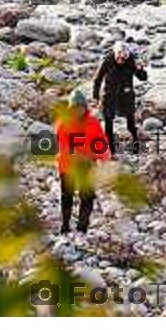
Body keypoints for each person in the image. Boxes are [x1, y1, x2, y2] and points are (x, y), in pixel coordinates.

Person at [55, 89, 111, 234]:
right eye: (75, 108)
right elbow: (63, 146)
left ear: (85, 108)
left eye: (81, 107)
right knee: (67, 196)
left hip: (88, 166)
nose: (78, 111)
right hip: (68, 166)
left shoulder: (93, 123)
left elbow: (101, 142)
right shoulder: (63, 124)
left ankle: (82, 228)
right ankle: (65, 226)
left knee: (87, 197)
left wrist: (104, 159)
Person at [93, 41, 148, 156]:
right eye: (119, 58)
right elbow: (97, 79)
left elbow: (142, 78)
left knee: (131, 124)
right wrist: (95, 98)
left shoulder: (130, 60)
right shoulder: (107, 61)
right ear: (115, 54)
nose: (122, 61)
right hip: (109, 95)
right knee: (108, 124)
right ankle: (111, 151)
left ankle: (136, 146)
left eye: (124, 59)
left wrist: (140, 69)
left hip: (126, 95)